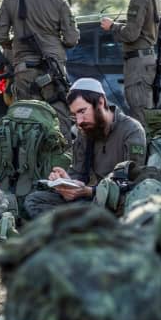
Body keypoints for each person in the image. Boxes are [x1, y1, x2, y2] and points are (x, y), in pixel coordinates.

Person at [23, 77, 147, 219]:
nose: (79, 121)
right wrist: (66, 182)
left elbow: (133, 185)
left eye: (82, 111)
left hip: (114, 201)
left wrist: (89, 191)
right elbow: (78, 172)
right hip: (88, 198)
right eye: (75, 115)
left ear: (100, 102)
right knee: (35, 200)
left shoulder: (131, 130)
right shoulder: (86, 130)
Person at [0, 0, 79, 139]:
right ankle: (62, 159)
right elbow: (71, 39)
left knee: (25, 118)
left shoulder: (10, 0)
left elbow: (0, 36)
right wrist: (55, 45)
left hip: (24, 69)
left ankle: (27, 162)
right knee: (59, 115)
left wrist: (16, 44)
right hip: (53, 70)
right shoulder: (60, 1)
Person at [100, 0, 161, 127]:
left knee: (139, 115)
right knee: (144, 112)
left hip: (138, 64)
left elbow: (131, 34)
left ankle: (143, 152)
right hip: (145, 60)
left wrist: (112, 26)